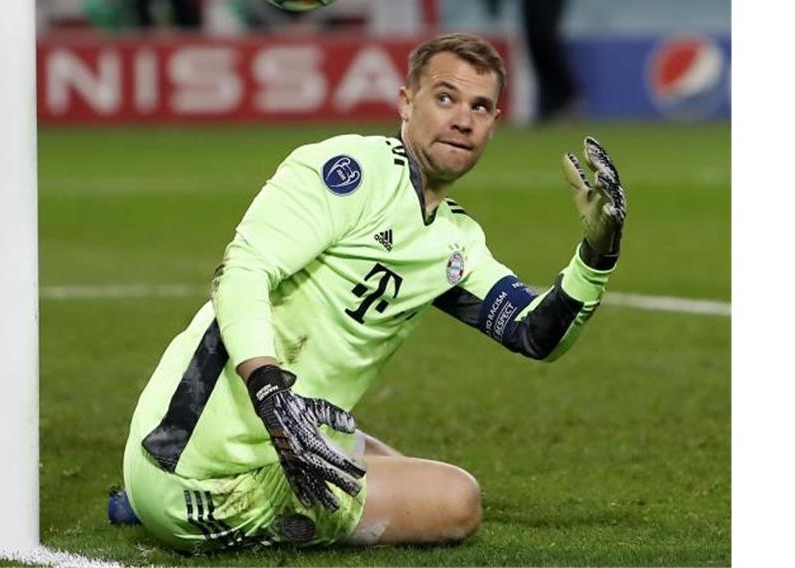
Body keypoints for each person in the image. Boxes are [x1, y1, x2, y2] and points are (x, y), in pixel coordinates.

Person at [114, 32, 627, 552]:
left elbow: (534, 333)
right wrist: (269, 388)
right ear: (407, 103)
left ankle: (151, 498)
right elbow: (243, 271)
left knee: (383, 459)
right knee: (457, 501)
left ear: (493, 125)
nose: (463, 119)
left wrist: (596, 254)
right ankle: (200, 510)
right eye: (445, 97)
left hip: (216, 448)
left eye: (481, 107)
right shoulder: (349, 172)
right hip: (206, 477)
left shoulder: (454, 242)